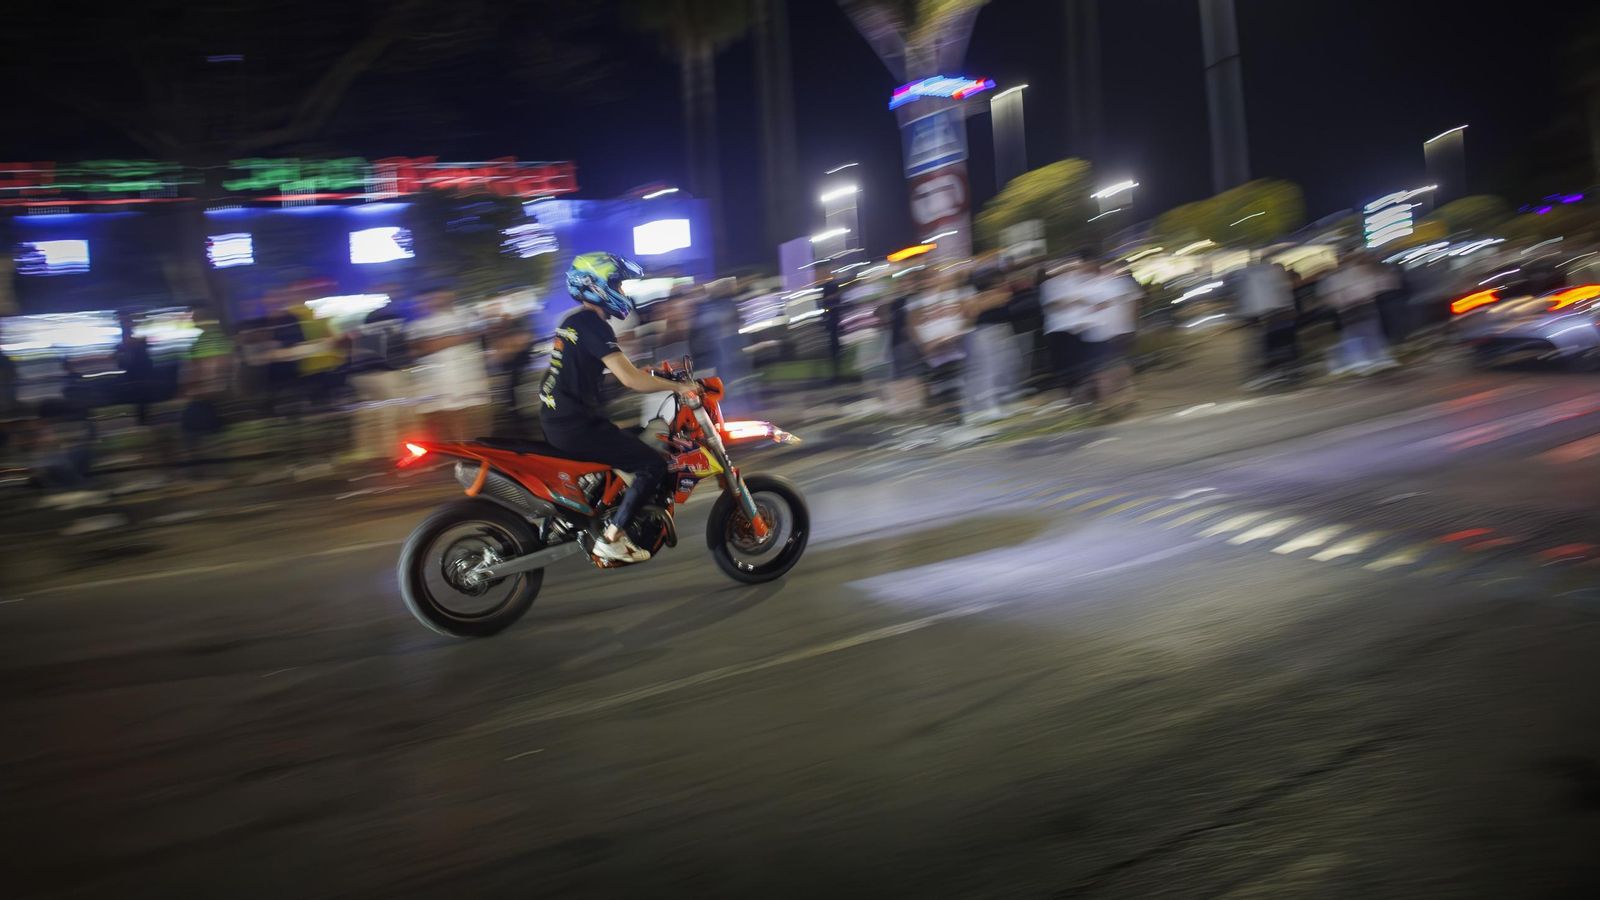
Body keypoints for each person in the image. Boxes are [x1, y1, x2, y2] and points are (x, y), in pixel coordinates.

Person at [539, 252, 700, 564]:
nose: (623, 291)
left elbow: (602, 371)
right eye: (617, 285)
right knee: (652, 465)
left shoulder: (573, 322)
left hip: (562, 420)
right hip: (577, 426)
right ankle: (611, 538)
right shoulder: (594, 325)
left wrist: (648, 373)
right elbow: (630, 379)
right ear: (595, 286)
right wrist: (679, 387)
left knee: (639, 437)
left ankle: (608, 507)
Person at [409, 285, 491, 441]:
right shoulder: (418, 325)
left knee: (477, 425)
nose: (434, 301)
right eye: (429, 298)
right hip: (439, 385)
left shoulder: (467, 315)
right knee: (448, 424)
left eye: (439, 296)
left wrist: (446, 340)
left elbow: (481, 332)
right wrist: (462, 336)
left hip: (471, 381)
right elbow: (425, 346)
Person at [1319, 251, 1398, 375]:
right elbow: (1331, 297)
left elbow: (1370, 284)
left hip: (1362, 305)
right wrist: (1344, 299)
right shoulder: (1335, 277)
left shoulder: (1354, 271)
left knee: (1369, 331)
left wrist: (1364, 294)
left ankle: (1375, 358)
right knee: (1357, 333)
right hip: (1350, 308)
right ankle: (1363, 360)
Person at [1233, 255, 1299, 386]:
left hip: (1264, 313)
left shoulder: (1251, 275)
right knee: (1277, 342)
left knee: (1270, 342)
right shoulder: (1271, 273)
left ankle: (1276, 368)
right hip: (1273, 311)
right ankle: (1284, 369)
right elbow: (1280, 292)